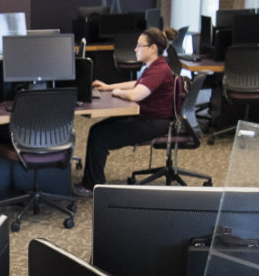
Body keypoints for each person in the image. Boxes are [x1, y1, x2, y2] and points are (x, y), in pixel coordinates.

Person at [73, 27, 180, 197]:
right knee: (97, 130)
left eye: (140, 45)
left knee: (99, 136)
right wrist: (109, 87)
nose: (136, 49)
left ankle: (92, 186)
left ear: (153, 48)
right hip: (147, 116)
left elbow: (136, 93)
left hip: (154, 122)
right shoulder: (155, 66)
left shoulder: (159, 70)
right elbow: (137, 83)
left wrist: (117, 93)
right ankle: (92, 182)